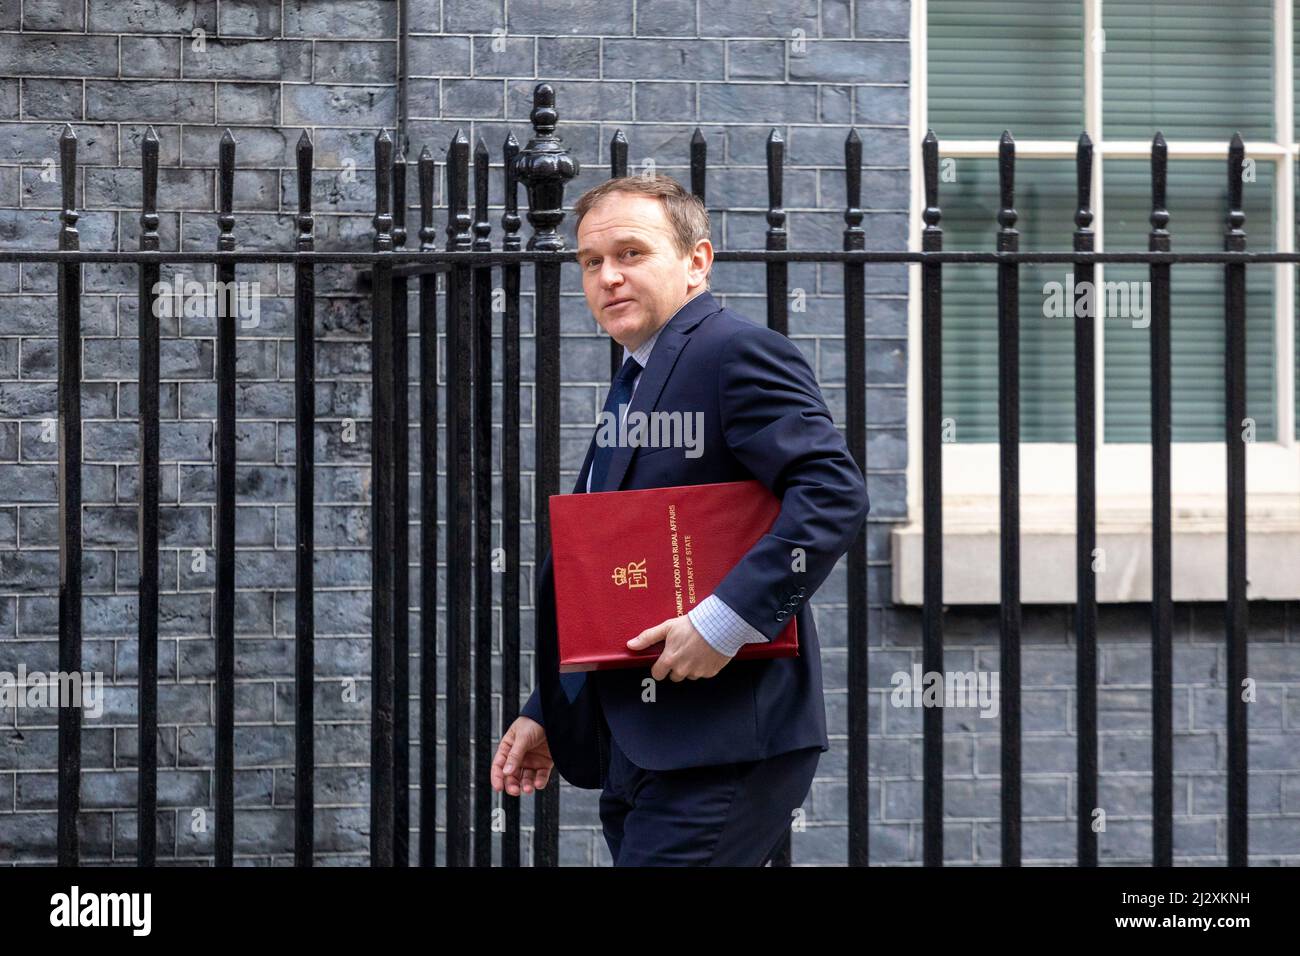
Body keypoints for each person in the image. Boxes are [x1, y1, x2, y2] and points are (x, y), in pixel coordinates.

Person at [489, 175, 869, 866]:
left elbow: (833, 493)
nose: (608, 277)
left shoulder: (733, 352)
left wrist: (722, 623)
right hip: (644, 741)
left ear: (697, 261)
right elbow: (620, 568)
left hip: (723, 739)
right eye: (592, 262)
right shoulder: (640, 373)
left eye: (631, 254)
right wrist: (551, 704)